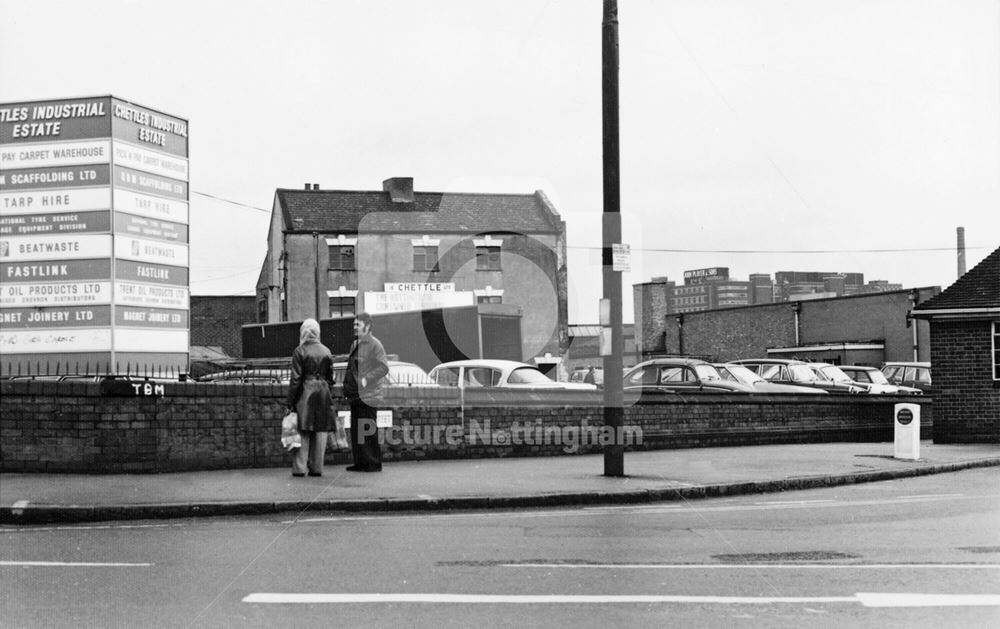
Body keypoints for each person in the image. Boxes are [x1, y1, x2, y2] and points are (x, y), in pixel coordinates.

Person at [286, 318, 335, 477]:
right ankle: (317, 468)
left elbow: (295, 380)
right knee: (320, 431)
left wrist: (290, 402)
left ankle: (300, 468)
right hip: (323, 393)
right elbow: (330, 377)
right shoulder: (327, 351)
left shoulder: (299, 351)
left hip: (305, 393)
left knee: (303, 430)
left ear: (303, 332)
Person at [343, 312, 389, 472]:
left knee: (367, 430)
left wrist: (366, 379)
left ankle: (373, 463)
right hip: (356, 395)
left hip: (369, 395)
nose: (354, 328)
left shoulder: (375, 344)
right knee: (357, 431)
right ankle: (361, 462)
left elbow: (383, 367)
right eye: (354, 325)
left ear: (367, 326)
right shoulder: (355, 344)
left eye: (358, 325)